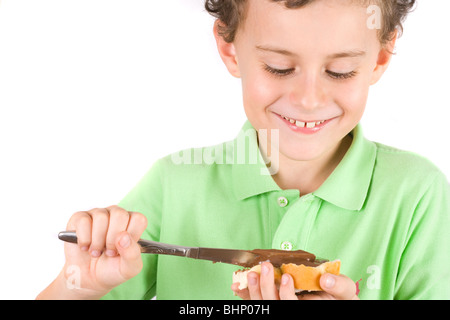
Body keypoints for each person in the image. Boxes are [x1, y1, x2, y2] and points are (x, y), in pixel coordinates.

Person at [37, 0, 450, 300]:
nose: (309, 99)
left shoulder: (416, 195)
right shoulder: (175, 183)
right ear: (229, 48)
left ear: (380, 56)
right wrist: (80, 287)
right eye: (279, 67)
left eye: (340, 71)